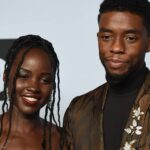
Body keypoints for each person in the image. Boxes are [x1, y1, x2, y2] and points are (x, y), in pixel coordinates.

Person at [63, 0, 150, 149]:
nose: (116, 48)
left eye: (130, 38)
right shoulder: (78, 110)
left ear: (148, 44)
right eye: (107, 37)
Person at [0, 35, 62, 150]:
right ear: (6, 76)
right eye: (23, 76)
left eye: (45, 80)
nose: (33, 87)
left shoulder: (62, 139)